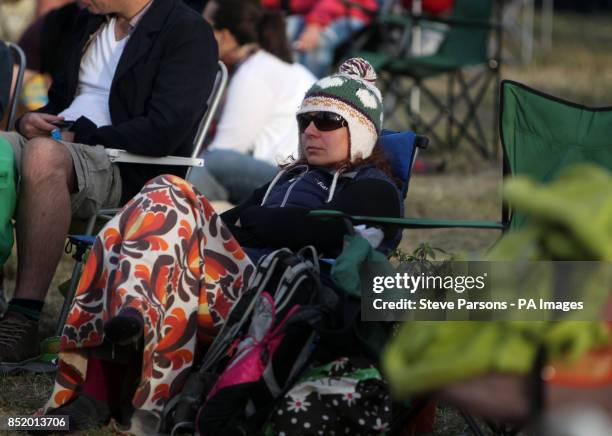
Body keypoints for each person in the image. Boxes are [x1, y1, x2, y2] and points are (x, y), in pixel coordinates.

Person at [39, 58, 402, 433]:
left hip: (271, 301)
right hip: (223, 287)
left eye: (326, 121)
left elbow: (325, 232)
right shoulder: (286, 179)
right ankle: (115, 379)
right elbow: (227, 226)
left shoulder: (375, 188)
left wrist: (258, 223)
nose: (310, 130)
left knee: (171, 194)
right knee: (165, 195)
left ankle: (113, 363)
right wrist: (252, 225)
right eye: (303, 121)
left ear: (360, 131)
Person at [0, 0, 218, 369]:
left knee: (42, 155)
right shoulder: (88, 23)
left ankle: (24, 317)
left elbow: (164, 129)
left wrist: (78, 134)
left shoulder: (186, 31)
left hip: (126, 163)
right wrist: (32, 122)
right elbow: (63, 102)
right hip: (62, 143)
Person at [188, 0, 316, 204]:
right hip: (284, 173)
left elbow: (229, 148)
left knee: (209, 163)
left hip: (290, 178)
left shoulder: (256, 71)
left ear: (225, 35)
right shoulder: (261, 65)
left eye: (205, 27)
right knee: (199, 168)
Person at [262, 0, 378, 78]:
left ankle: (312, 98)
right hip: (315, 10)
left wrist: (315, 23)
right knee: (282, 30)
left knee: (318, 43)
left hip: (352, 13)